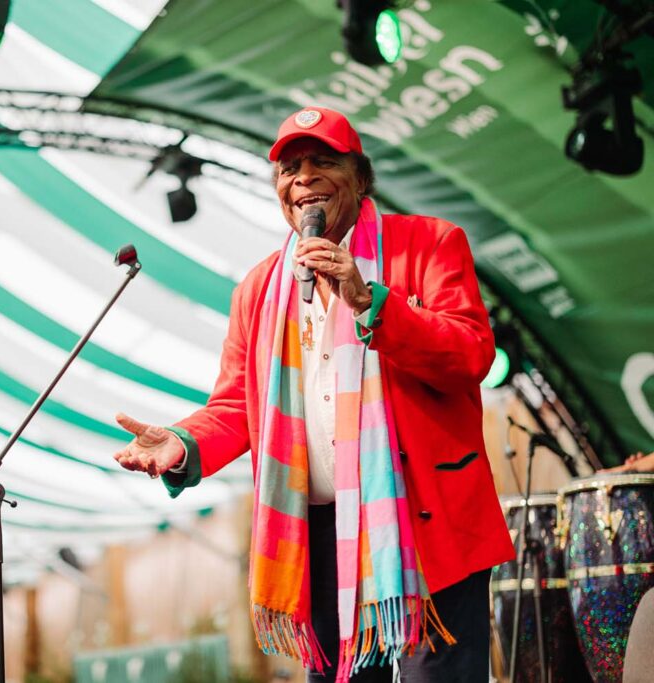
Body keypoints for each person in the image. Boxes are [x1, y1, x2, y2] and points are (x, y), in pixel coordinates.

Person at [113, 106, 514, 682]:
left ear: (360, 177)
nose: (302, 178)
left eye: (323, 162)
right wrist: (181, 444)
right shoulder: (257, 290)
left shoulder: (428, 244)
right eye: (289, 168)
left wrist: (369, 300)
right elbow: (235, 406)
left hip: (427, 520)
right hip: (319, 533)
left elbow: (470, 354)